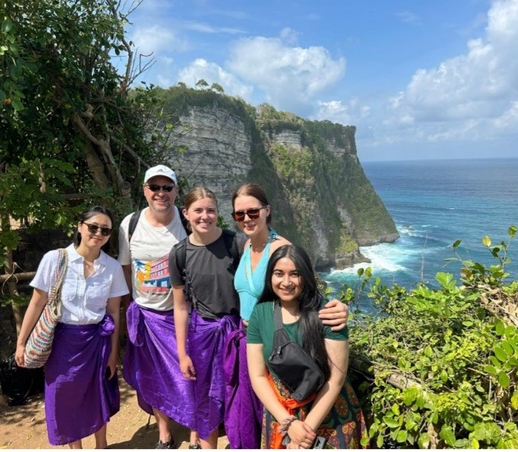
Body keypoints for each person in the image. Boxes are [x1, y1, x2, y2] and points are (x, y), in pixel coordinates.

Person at [224, 182, 349, 449]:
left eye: (253, 212)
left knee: (268, 411)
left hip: (278, 342)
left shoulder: (280, 249)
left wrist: (339, 308)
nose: (247, 218)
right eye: (239, 214)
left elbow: (307, 288)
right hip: (251, 337)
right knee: (249, 412)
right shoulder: (246, 246)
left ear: (267, 211)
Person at [15, 206, 128, 449]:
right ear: (80, 226)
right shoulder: (55, 259)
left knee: (97, 395)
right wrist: (21, 342)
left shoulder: (112, 267)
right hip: (62, 343)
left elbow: (113, 315)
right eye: (93, 227)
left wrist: (111, 355)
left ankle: (101, 445)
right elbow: (37, 303)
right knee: (63, 396)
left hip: (97, 342)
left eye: (105, 230)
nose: (98, 233)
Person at [247, 244, 366, 449]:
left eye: (295, 274)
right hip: (281, 412)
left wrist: (305, 431)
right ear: (270, 277)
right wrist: (289, 423)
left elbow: (336, 379)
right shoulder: (260, 313)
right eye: (279, 274)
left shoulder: (328, 313)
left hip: (327, 413)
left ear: (306, 277)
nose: (286, 282)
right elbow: (257, 375)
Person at [118, 164, 198, 449]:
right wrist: (133, 307)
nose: (160, 193)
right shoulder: (129, 224)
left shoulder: (188, 222)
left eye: (167, 187)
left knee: (187, 376)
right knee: (152, 378)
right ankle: (164, 433)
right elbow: (126, 269)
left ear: (176, 191)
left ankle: (195, 434)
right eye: (155, 187)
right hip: (146, 315)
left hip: (182, 314)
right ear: (145, 190)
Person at [170, 187, 242, 449]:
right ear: (186, 213)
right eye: (198, 210)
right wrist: (182, 353)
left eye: (210, 210)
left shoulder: (236, 244)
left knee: (239, 395)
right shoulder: (179, 253)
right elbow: (180, 307)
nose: (205, 216)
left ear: (218, 213)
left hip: (236, 333)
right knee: (205, 400)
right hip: (202, 335)